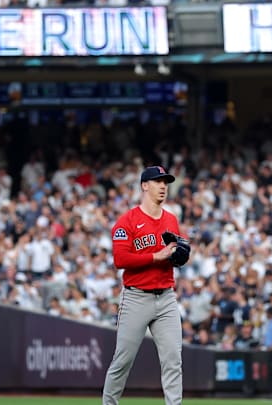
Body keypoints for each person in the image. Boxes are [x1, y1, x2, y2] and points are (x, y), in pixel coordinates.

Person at [102, 166, 189, 405]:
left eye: (165, 182)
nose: (163, 186)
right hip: (136, 298)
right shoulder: (126, 221)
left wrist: (177, 256)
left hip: (166, 297)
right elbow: (120, 260)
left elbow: (173, 254)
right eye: (158, 181)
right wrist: (155, 256)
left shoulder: (171, 219)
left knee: (173, 359)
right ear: (144, 185)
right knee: (122, 361)